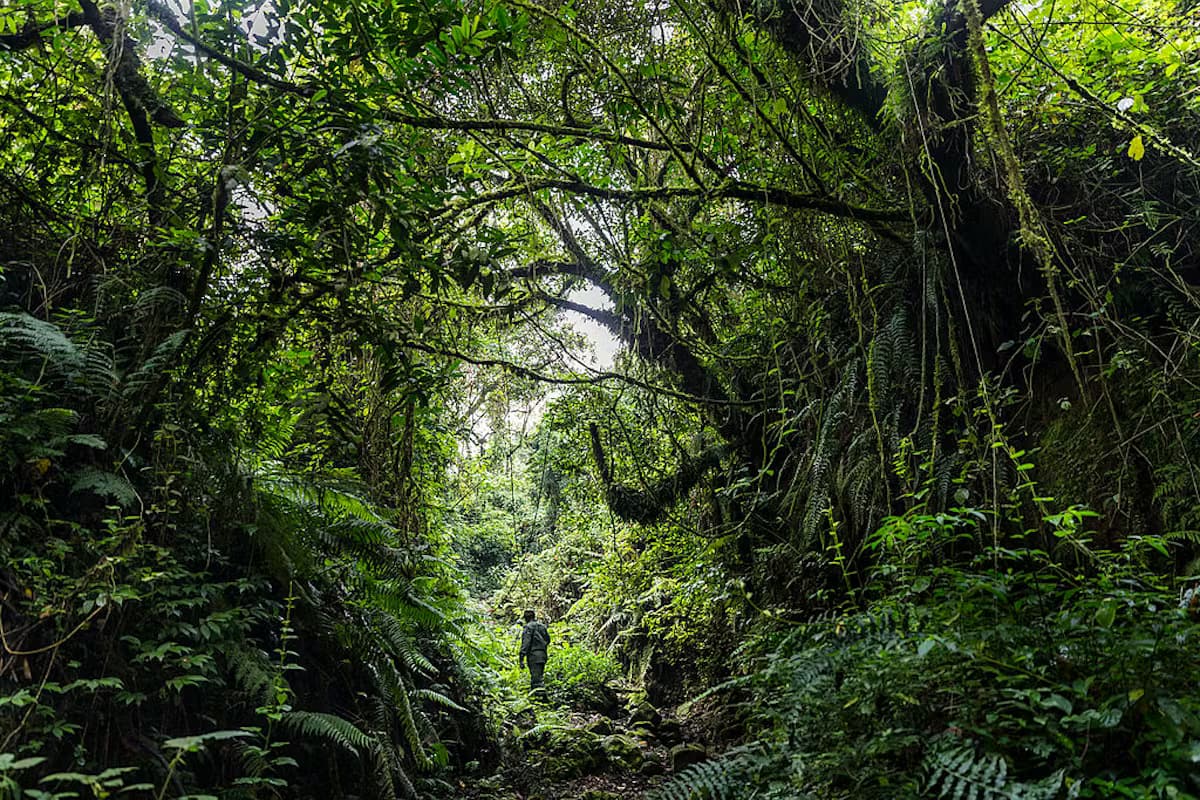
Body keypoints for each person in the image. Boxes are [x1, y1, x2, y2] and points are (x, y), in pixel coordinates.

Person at [518, 608, 550, 692]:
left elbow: (526, 643)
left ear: (525, 618)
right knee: (539, 676)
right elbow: (548, 640)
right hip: (542, 655)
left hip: (533, 656)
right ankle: (537, 698)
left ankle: (540, 699)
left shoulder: (528, 627)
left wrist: (521, 658)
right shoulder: (542, 626)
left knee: (536, 680)